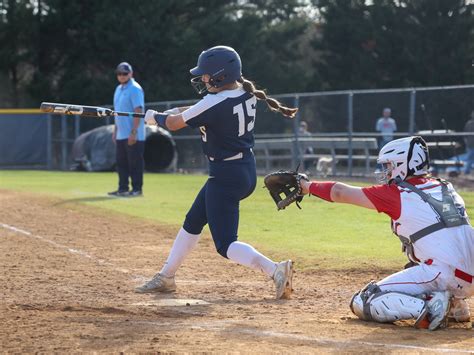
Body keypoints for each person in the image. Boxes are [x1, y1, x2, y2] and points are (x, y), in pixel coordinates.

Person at [136, 46, 298, 299]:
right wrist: (176, 112)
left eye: (207, 75)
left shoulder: (214, 102)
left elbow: (176, 124)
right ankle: (166, 276)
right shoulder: (246, 93)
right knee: (193, 221)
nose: (203, 79)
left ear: (221, 76)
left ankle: (275, 269)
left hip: (225, 176)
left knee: (225, 244)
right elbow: (201, 110)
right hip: (243, 170)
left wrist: (155, 118)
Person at [298, 136, 473, 330]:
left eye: (389, 166)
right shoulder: (446, 187)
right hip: (467, 274)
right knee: (418, 260)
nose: (386, 171)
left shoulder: (398, 193)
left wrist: (306, 186)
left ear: (403, 165)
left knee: (364, 300)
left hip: (444, 274)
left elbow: (340, 192)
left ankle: (432, 308)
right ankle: (456, 305)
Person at [108, 62, 145, 197]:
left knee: (135, 163)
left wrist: (133, 132)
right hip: (121, 134)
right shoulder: (118, 89)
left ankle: (137, 189)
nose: (122, 76)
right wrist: (115, 131)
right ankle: (122, 188)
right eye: (119, 74)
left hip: (134, 134)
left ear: (130, 74)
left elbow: (138, 110)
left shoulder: (135, 88)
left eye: (125, 73)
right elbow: (117, 113)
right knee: (121, 163)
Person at [463, 111, 474, 175]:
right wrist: (466, 142)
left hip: (469, 144)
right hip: (470, 144)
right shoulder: (469, 124)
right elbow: (464, 135)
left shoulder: (468, 123)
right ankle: (467, 171)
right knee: (469, 159)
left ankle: (467, 171)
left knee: (469, 159)